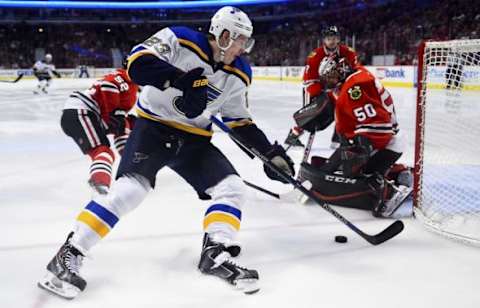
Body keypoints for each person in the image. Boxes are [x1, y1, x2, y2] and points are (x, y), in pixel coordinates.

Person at [38, 6, 294, 299]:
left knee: (232, 188)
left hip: (195, 140)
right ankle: (69, 253)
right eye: (239, 40)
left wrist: (268, 153)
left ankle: (215, 252)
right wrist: (180, 79)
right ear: (223, 35)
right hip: (153, 129)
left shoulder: (240, 71)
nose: (242, 48)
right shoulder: (180, 39)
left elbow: (239, 120)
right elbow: (137, 63)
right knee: (130, 191)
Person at [294, 55, 412, 217]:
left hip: (384, 141)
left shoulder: (355, 86)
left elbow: (379, 126)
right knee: (336, 163)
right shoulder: (349, 83)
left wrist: (358, 148)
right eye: (327, 77)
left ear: (342, 70)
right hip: (380, 139)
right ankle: (397, 172)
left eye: (331, 75)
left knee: (351, 167)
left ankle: (388, 190)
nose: (329, 80)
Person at [61, 63, 139, 194]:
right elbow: (108, 85)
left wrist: (129, 160)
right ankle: (99, 183)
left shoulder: (131, 86)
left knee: (105, 151)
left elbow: (119, 129)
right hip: (82, 112)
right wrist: (115, 111)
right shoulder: (126, 78)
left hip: (81, 114)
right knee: (103, 152)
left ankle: (100, 183)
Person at [284, 26, 360, 148]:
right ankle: (294, 134)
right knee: (314, 113)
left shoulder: (348, 52)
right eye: (329, 38)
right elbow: (309, 79)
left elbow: (356, 72)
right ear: (324, 40)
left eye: (334, 38)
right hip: (317, 88)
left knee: (346, 109)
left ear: (338, 39)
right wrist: (319, 94)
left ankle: (339, 137)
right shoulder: (315, 55)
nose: (332, 41)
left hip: (340, 87)